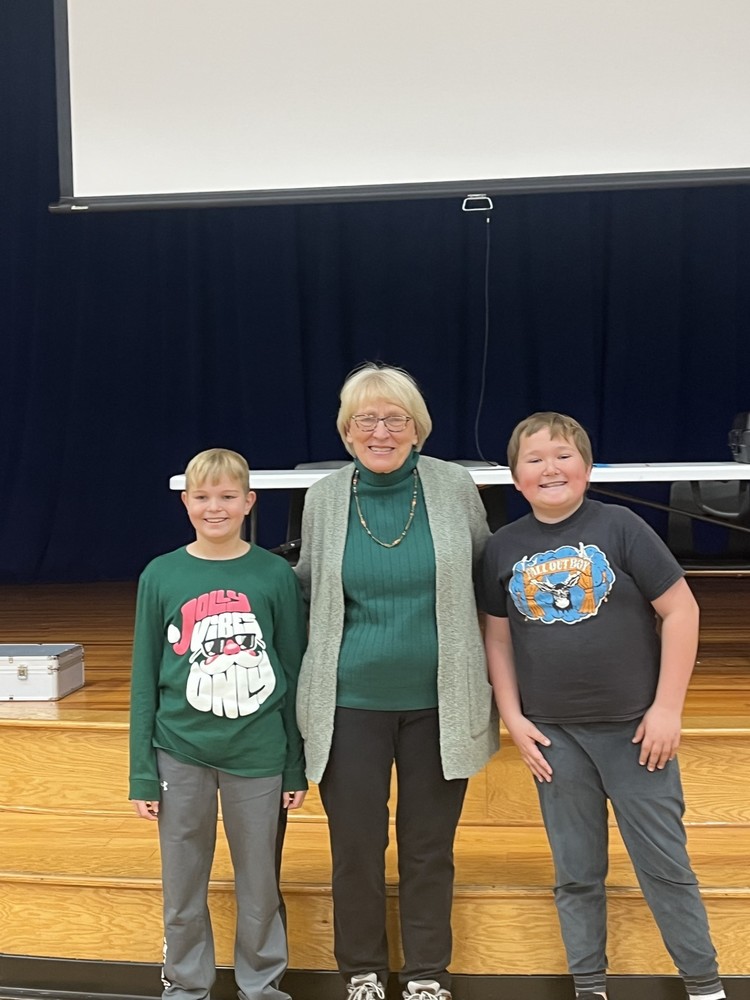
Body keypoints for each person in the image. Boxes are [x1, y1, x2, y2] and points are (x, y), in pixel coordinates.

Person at [479, 412, 726, 1000]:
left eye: (562, 455)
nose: (549, 468)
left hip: (637, 734)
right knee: (576, 873)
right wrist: (513, 718)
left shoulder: (622, 527)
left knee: (665, 866)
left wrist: (668, 708)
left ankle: (705, 984)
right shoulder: (501, 548)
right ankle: (589, 984)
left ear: (587, 468)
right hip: (555, 740)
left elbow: (682, 612)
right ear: (515, 478)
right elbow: (496, 637)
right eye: (533, 459)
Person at [295, 362, 498, 1000]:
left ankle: (427, 974)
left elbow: (487, 579)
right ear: (348, 431)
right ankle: (360, 969)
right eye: (367, 419)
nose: (381, 430)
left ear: (417, 428)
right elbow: (305, 592)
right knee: (355, 847)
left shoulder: (453, 485)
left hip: (441, 699)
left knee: (428, 847)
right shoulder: (324, 497)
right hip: (348, 701)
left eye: (395, 419)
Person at [129, 448, 307, 1000]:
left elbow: (294, 673)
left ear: (248, 502)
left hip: (258, 755)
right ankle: (184, 985)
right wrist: (141, 771)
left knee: (259, 886)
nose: (215, 507)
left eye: (228, 496)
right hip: (178, 754)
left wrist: (295, 767)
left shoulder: (274, 574)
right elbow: (143, 679)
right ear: (185, 504)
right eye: (203, 497)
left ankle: (263, 985)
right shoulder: (161, 574)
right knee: (182, 885)